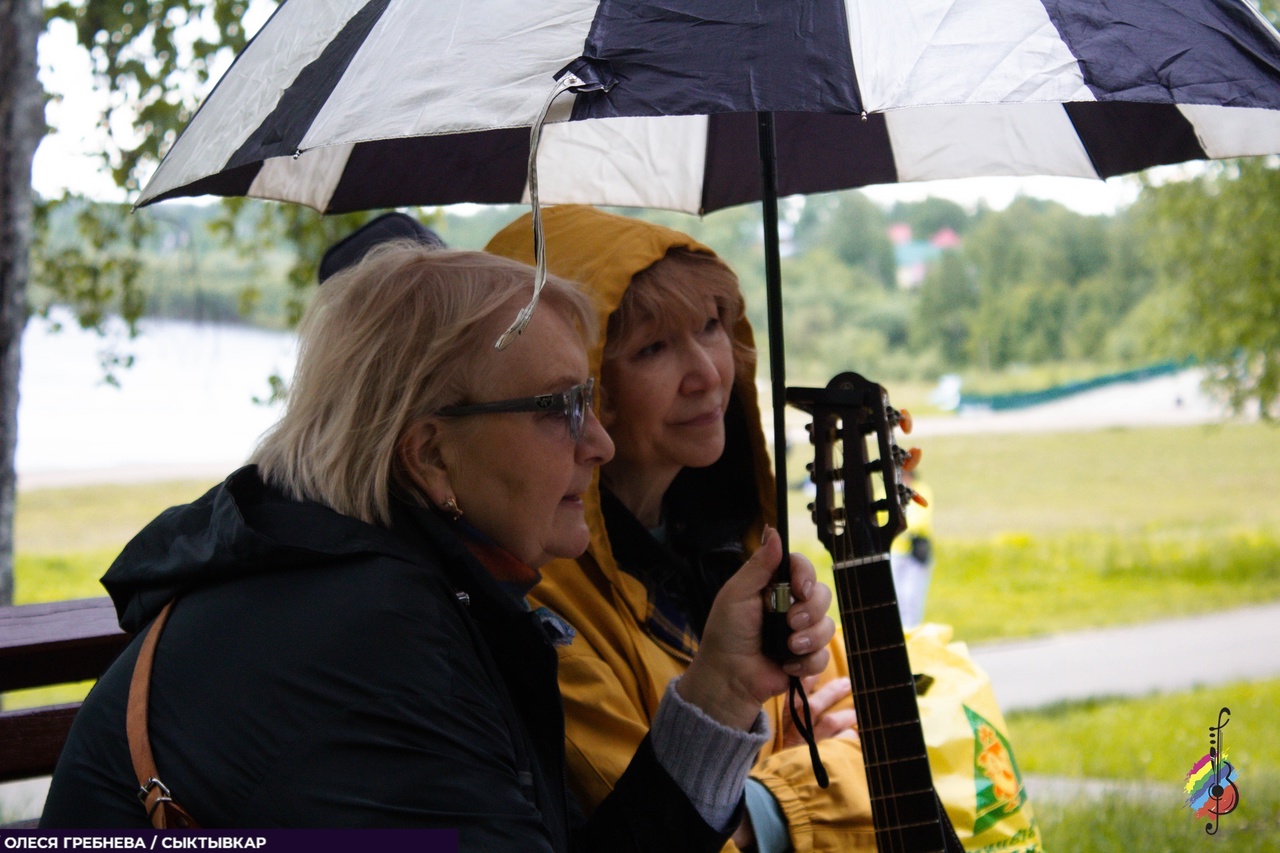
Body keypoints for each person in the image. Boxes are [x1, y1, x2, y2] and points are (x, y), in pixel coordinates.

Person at [40, 242, 837, 846]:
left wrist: (724, 689)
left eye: (589, 400)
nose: (597, 442)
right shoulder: (366, 639)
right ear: (428, 455)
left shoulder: (401, 587)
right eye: (560, 406)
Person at [487, 206, 876, 852]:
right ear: (578, 387)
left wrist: (752, 797)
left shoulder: (742, 545)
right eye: (654, 348)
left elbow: (876, 753)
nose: (707, 373)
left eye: (711, 327)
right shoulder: (544, 598)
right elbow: (663, 831)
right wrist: (786, 797)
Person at [889, 469, 936, 629]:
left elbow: (921, 519)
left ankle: (911, 630)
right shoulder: (887, 491)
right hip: (895, 552)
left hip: (916, 552)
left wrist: (901, 527)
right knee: (896, 596)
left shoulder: (921, 490)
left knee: (912, 597)